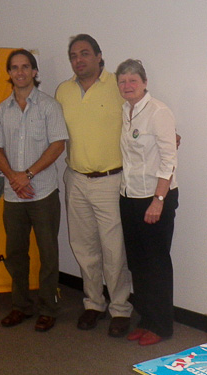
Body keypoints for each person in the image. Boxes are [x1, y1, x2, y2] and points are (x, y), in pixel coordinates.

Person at [55, 34, 133, 337]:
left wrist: (164, 134)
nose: (79, 60)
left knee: (113, 249)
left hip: (110, 181)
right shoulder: (63, 91)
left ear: (99, 56)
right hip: (75, 179)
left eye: (85, 53)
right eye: (73, 55)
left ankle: (121, 309)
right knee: (84, 247)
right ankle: (94, 304)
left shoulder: (117, 84)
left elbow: (139, 110)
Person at [0, 49, 68, 332]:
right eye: (14, 68)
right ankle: (20, 306)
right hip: (13, 195)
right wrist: (14, 178)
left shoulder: (49, 106)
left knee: (48, 253)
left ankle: (48, 308)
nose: (20, 72)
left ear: (34, 71)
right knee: (16, 254)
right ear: (9, 73)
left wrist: (28, 175)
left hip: (43, 193)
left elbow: (58, 144)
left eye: (25, 67)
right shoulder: (1, 110)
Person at [116, 59, 178, 346]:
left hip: (156, 198)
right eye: (122, 81)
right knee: (138, 263)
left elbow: (169, 160)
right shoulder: (125, 110)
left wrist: (158, 200)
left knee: (156, 264)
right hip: (129, 196)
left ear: (144, 82)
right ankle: (146, 318)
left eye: (132, 80)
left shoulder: (158, 111)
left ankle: (162, 325)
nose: (127, 86)